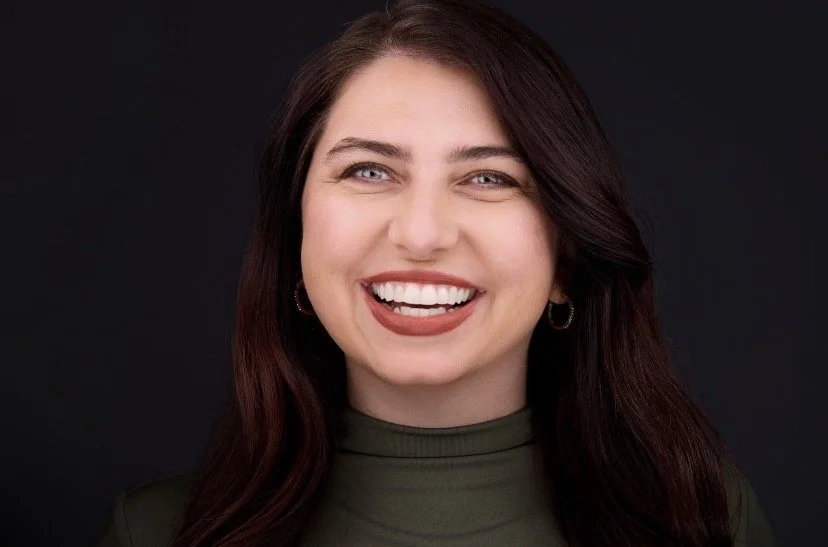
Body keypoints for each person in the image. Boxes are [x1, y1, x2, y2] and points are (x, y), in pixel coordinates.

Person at [95, 0, 779, 545]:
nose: (422, 234)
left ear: (567, 255)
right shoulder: (159, 535)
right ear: (296, 238)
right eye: (369, 171)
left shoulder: (702, 522)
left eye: (489, 177)